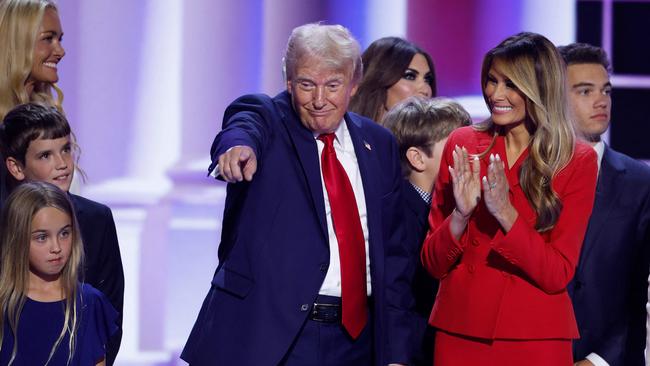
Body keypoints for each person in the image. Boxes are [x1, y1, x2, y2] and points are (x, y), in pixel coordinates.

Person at [182, 23, 414, 366]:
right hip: (277, 337)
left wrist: (396, 352)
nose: (319, 100)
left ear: (353, 85)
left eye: (333, 85)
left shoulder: (378, 144)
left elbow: (395, 257)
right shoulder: (271, 120)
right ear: (289, 82)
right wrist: (237, 147)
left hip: (358, 342)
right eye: (306, 85)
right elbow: (244, 121)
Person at [420, 32, 598, 365]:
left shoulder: (576, 160)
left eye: (510, 84)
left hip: (534, 336)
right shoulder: (463, 144)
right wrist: (460, 214)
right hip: (461, 331)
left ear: (539, 88)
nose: (494, 94)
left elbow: (557, 272)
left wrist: (505, 213)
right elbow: (432, 262)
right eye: (491, 80)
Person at [0, 103, 124, 365]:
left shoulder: (96, 219)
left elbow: (110, 313)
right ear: (16, 167)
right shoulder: (6, 223)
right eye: (45, 155)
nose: (62, 164)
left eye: (66, 150)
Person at [558, 43, 650, 366]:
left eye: (606, 91)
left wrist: (598, 360)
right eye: (585, 91)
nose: (601, 101)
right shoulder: (530, 176)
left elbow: (641, 292)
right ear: (554, 98)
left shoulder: (640, 182)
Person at [382, 96, 471, 365]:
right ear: (417, 158)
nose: (470, 154)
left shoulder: (456, 209)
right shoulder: (396, 216)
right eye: (457, 145)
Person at [0, 181, 117, 365]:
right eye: (42, 237)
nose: (56, 247)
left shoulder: (88, 302)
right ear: (18, 239)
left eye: (64, 233)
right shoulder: (4, 303)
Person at [0, 0, 65, 207]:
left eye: (59, 39)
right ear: (18, 43)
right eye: (48, 39)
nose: (60, 51)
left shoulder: (48, 117)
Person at [349, 37, 436, 123]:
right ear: (379, 79)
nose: (425, 90)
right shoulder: (345, 133)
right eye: (409, 76)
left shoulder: (442, 135)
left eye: (427, 79)